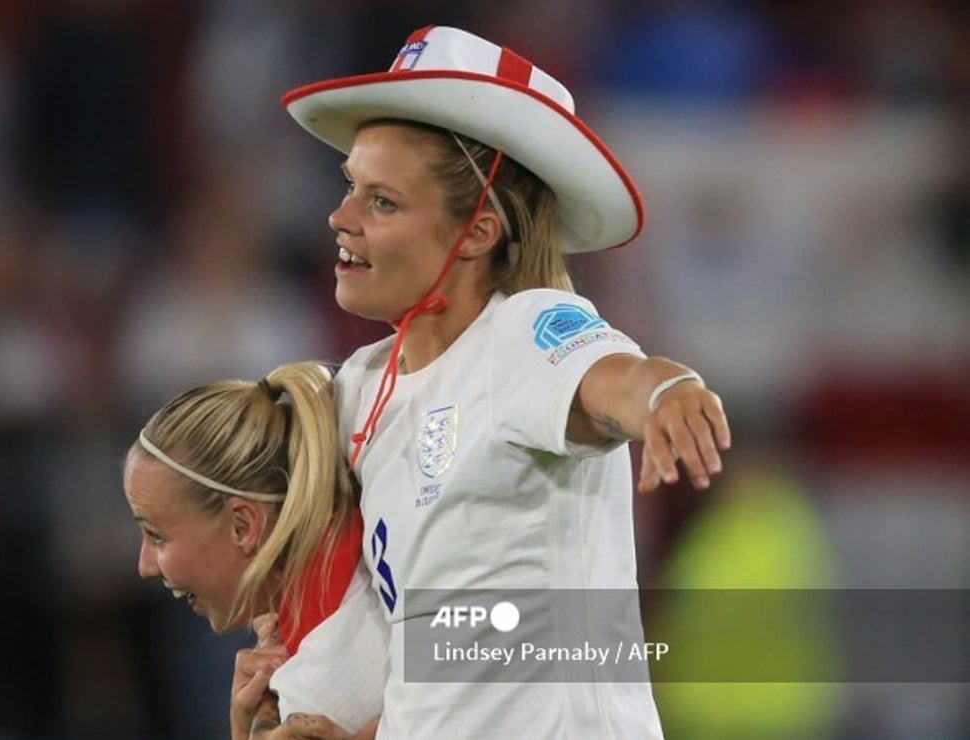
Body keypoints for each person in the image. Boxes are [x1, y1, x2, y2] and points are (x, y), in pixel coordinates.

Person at [250, 25, 732, 738]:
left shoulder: (522, 332)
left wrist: (666, 392)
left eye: (382, 202)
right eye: (350, 187)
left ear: (476, 231)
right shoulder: (363, 386)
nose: (339, 217)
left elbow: (614, 380)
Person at [122, 361, 386, 740]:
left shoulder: (314, 698)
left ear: (243, 526)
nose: (144, 565)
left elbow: (494, 652)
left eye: (157, 536)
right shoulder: (381, 531)